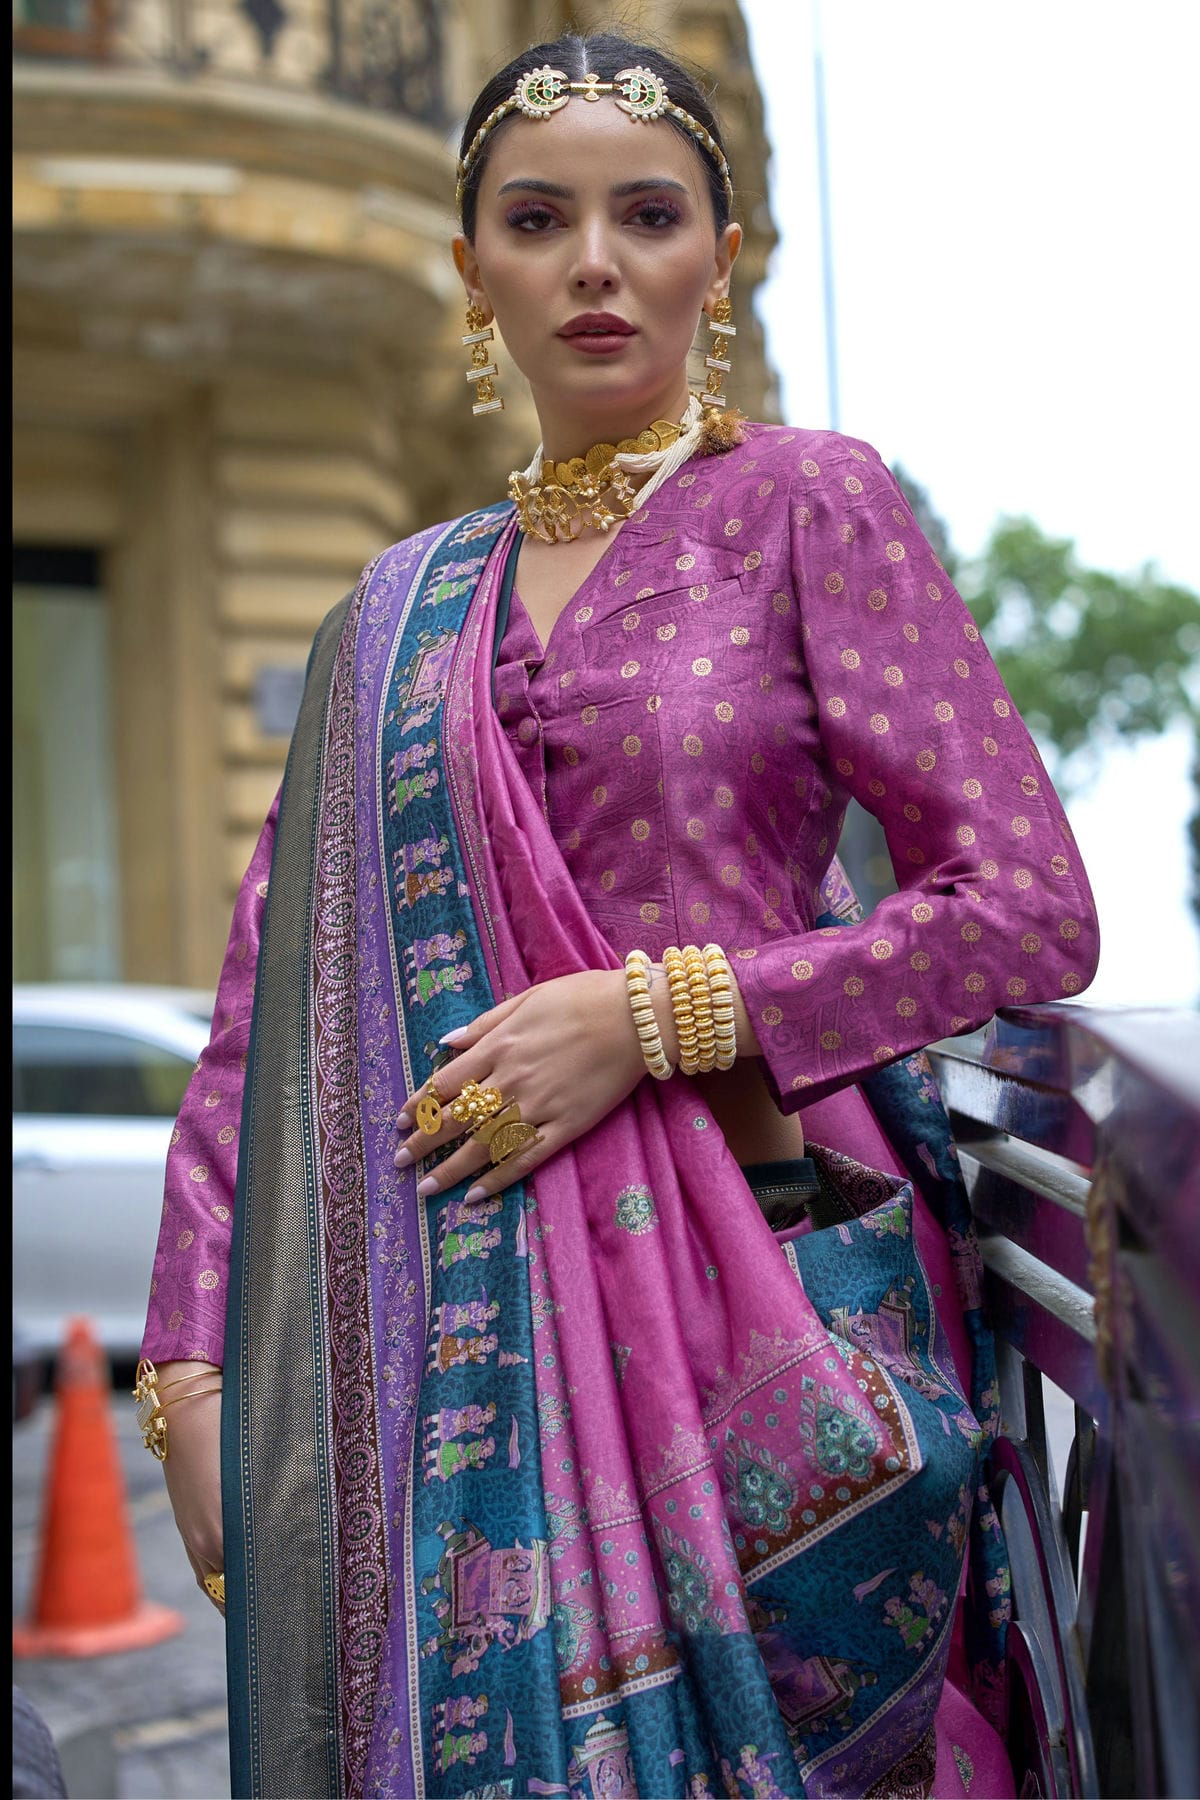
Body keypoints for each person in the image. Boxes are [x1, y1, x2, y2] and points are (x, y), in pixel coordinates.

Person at [138, 30, 1100, 1800]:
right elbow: (263, 1008)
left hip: (763, 1287)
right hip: (438, 1338)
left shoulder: (812, 506)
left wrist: (661, 1016)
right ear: (473, 269)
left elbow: (1029, 916)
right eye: (538, 218)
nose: (593, 261)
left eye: (647, 214)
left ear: (713, 258)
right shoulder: (394, 611)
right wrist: (194, 1363)